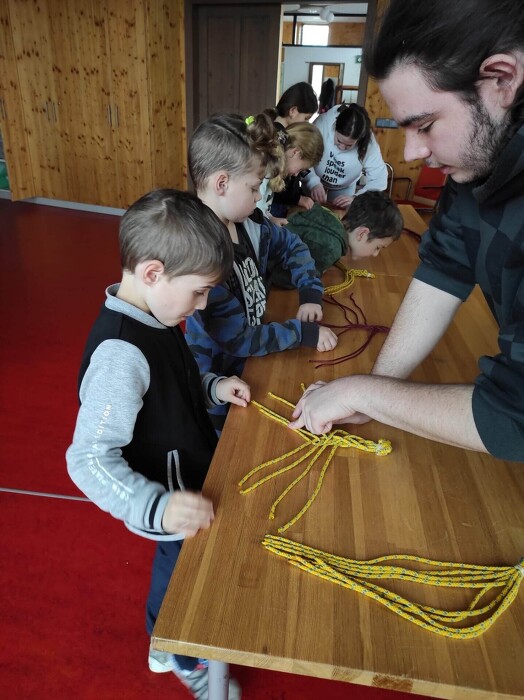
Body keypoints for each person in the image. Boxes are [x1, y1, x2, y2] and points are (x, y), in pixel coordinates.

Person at [290, 0, 524, 462]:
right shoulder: (476, 159)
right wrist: (374, 389)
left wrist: (365, 393)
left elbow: (513, 414)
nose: (414, 152)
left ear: (501, 79)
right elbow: (443, 269)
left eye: (427, 125)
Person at [65, 189, 248, 699]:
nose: (203, 303)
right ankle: (176, 652)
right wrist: (158, 508)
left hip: (189, 473)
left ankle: (174, 642)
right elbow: (86, 459)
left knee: (190, 571)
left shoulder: (159, 315)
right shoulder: (121, 354)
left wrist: (212, 386)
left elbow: (177, 381)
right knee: (180, 582)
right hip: (170, 504)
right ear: (152, 273)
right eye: (199, 291)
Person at [186, 112, 338, 432]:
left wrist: (309, 291)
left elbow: (291, 246)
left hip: (252, 368)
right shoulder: (204, 262)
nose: (259, 198)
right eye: (255, 187)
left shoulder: (251, 222)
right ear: (222, 183)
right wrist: (302, 333)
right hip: (222, 391)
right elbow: (239, 340)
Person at [270, 191, 404, 289]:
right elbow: (289, 279)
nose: (375, 254)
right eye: (378, 247)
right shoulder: (330, 247)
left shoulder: (329, 217)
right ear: (362, 234)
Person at [302, 103, 388, 209]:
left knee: (339, 216)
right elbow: (303, 155)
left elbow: (379, 179)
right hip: (314, 180)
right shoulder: (322, 123)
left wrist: (356, 198)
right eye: (338, 141)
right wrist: (312, 182)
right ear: (334, 127)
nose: (342, 147)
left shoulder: (368, 143)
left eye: (349, 145)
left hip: (344, 188)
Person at [263, 81, 320, 217]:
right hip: (272, 206)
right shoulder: (279, 137)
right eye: (306, 118)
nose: (306, 123)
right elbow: (280, 184)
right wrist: (298, 198)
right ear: (293, 111)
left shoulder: (283, 133)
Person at [258, 121, 324, 225]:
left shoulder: (274, 171)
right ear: (295, 152)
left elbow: (261, 209)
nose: (296, 175)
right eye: (300, 169)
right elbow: (253, 212)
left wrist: (271, 219)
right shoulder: (265, 170)